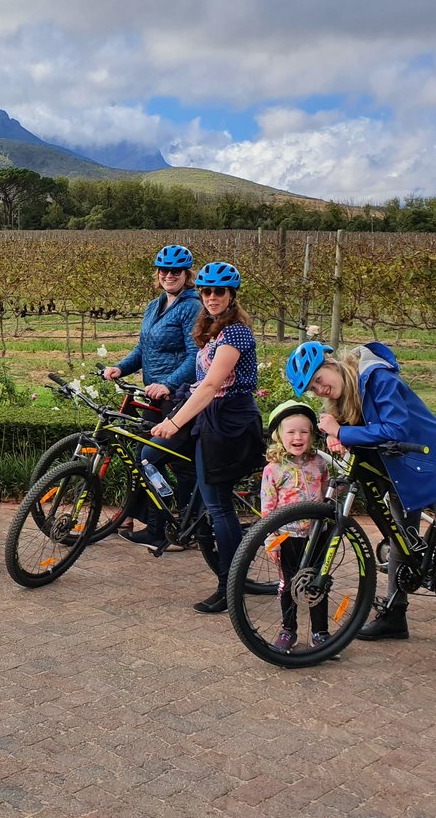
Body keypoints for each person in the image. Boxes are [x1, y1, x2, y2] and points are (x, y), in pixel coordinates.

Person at [286, 340, 436, 686]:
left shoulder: (378, 379)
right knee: (400, 542)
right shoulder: (345, 395)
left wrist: (343, 432)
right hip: (402, 473)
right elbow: (358, 428)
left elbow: (395, 428)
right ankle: (395, 616)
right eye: (314, 388)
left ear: (332, 364)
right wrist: (340, 436)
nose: (322, 388)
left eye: (320, 378)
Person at [148, 261, 264, 614]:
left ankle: (230, 587)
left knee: (218, 506)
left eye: (219, 292)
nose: (212, 297)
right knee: (155, 456)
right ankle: (178, 523)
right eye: (207, 291)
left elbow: (214, 385)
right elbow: (202, 382)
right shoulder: (213, 328)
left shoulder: (236, 334)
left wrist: (175, 422)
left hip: (228, 423)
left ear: (232, 295)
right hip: (209, 418)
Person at [102, 244, 201, 547]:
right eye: (164, 270)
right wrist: (120, 367)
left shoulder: (192, 307)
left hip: (178, 397)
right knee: (152, 460)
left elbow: (194, 355)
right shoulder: (155, 305)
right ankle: (168, 523)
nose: (169, 275)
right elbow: (143, 348)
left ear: (187, 275)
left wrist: (169, 384)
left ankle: (181, 526)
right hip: (154, 397)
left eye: (176, 271)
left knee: (159, 460)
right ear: (157, 274)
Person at [260, 400, 332, 653]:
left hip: (316, 536)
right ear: (279, 435)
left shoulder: (320, 464)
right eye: (291, 432)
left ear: (312, 435)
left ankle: (320, 632)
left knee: (317, 582)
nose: (298, 437)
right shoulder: (273, 470)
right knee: (288, 584)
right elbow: (268, 510)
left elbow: (327, 495)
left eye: (304, 431)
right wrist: (271, 541)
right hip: (287, 537)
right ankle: (288, 630)